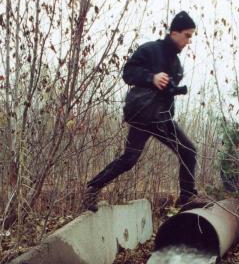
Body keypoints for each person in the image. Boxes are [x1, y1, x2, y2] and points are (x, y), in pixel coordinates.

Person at [83, 11, 198, 212]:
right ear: (174, 32)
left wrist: (171, 88)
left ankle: (187, 197)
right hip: (143, 115)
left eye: (191, 37)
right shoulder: (150, 50)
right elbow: (128, 73)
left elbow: (165, 92)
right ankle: (92, 188)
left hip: (161, 117)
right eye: (187, 35)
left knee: (186, 151)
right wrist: (151, 77)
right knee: (131, 159)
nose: (189, 41)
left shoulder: (176, 65)